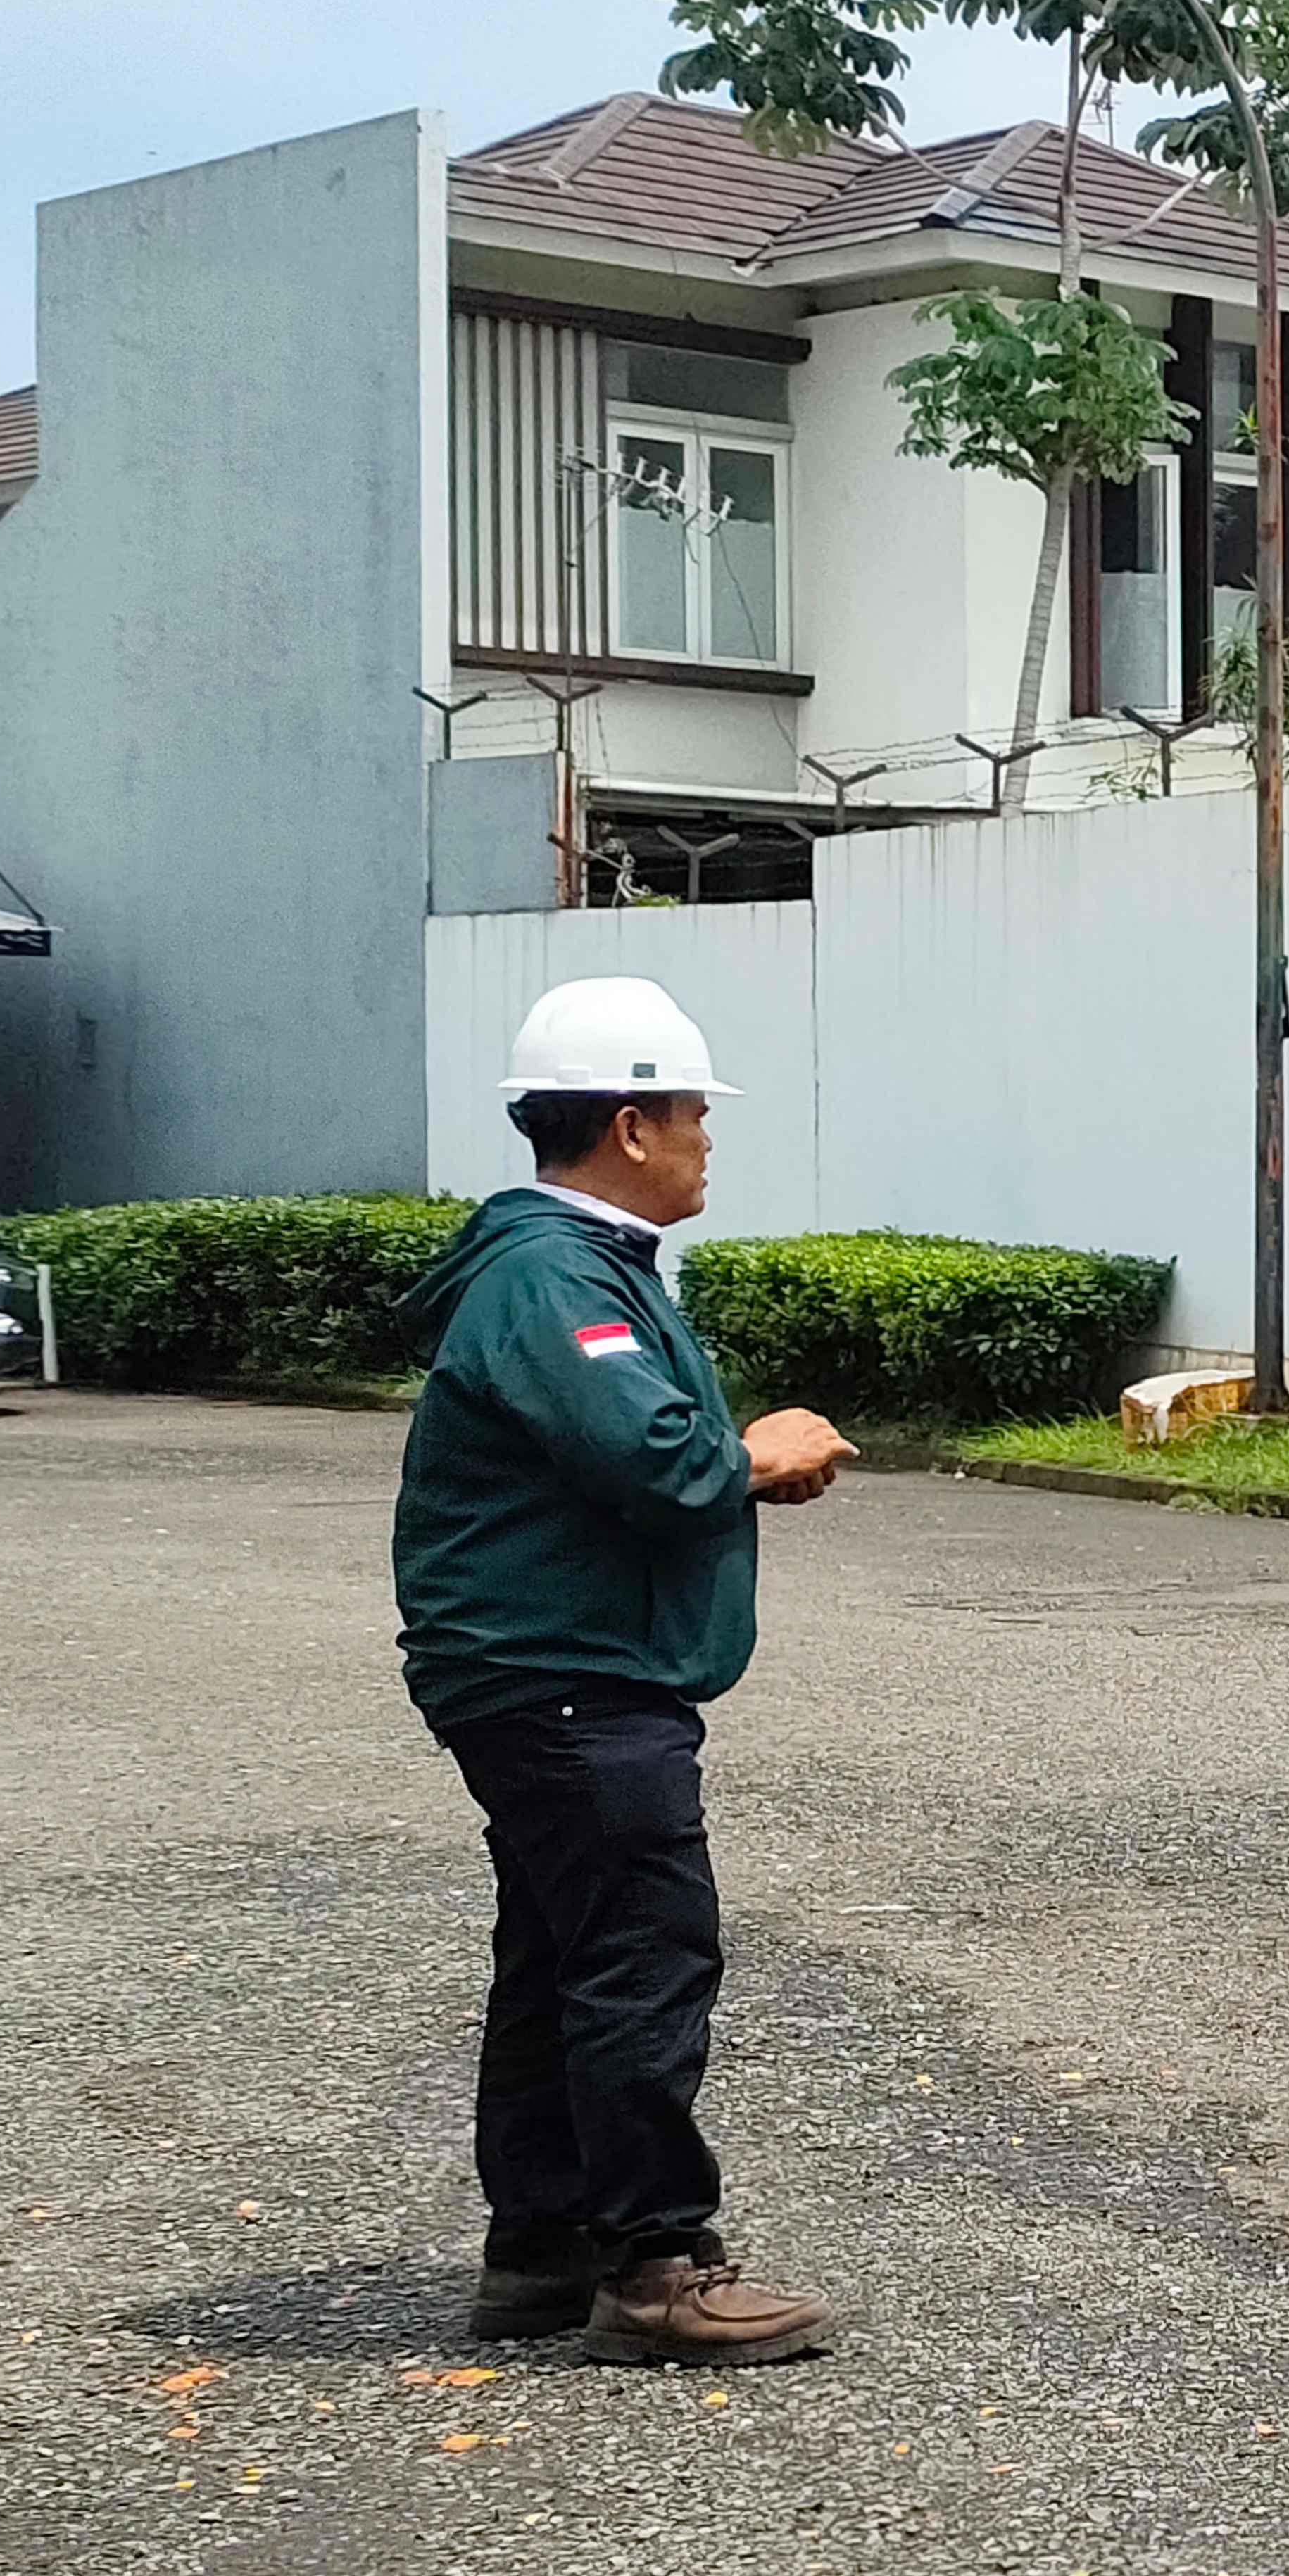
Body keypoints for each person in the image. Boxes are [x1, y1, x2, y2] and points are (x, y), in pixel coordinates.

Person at [390, 976, 855, 2362]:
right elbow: (646, 1452)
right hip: (568, 1677)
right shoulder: (551, 1273)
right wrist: (752, 1450)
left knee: (559, 1954)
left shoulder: (569, 1265)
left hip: (545, 1670)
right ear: (635, 1123)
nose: (710, 1137)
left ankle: (539, 2247)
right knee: (643, 1952)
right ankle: (656, 2263)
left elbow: (613, 1456)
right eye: (696, 1112)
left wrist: (734, 1475)